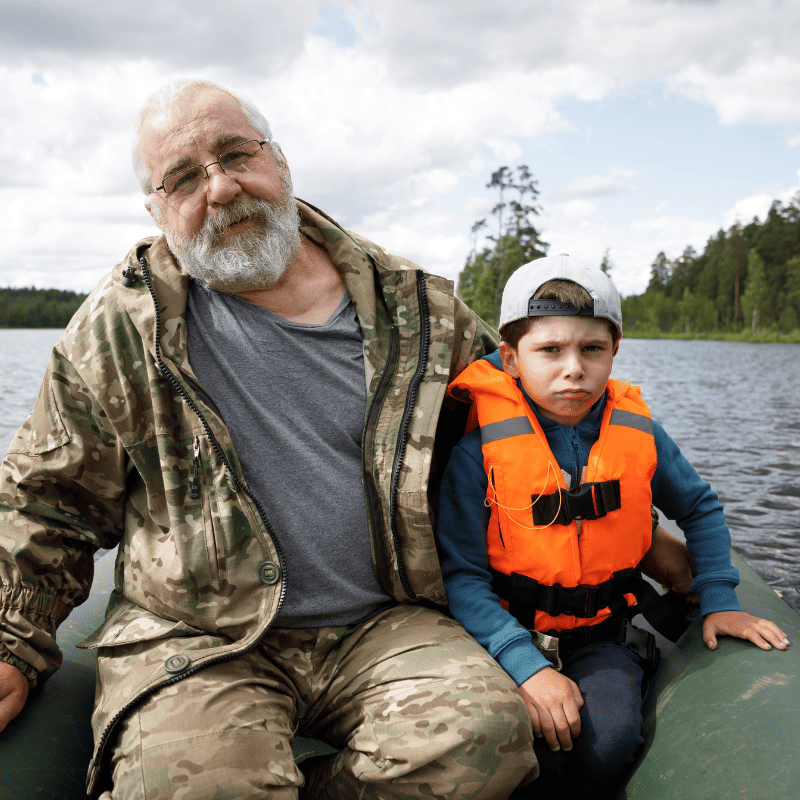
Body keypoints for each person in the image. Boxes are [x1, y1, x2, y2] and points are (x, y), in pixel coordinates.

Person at [0, 79, 692, 800]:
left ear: (280, 160)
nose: (221, 187)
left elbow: (539, 427)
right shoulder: (121, 327)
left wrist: (645, 535)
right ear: (156, 209)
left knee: (486, 737)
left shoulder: (419, 308)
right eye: (182, 178)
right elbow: (45, 500)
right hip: (199, 637)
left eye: (236, 154)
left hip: (386, 621)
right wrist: (12, 642)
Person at [436, 253, 791, 799]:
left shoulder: (641, 431)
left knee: (606, 746)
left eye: (591, 349)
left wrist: (719, 598)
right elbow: (461, 575)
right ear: (510, 358)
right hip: (502, 633)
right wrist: (526, 665)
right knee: (491, 744)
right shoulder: (474, 452)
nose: (573, 368)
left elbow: (699, 507)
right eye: (549, 350)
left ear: (613, 353)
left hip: (603, 631)